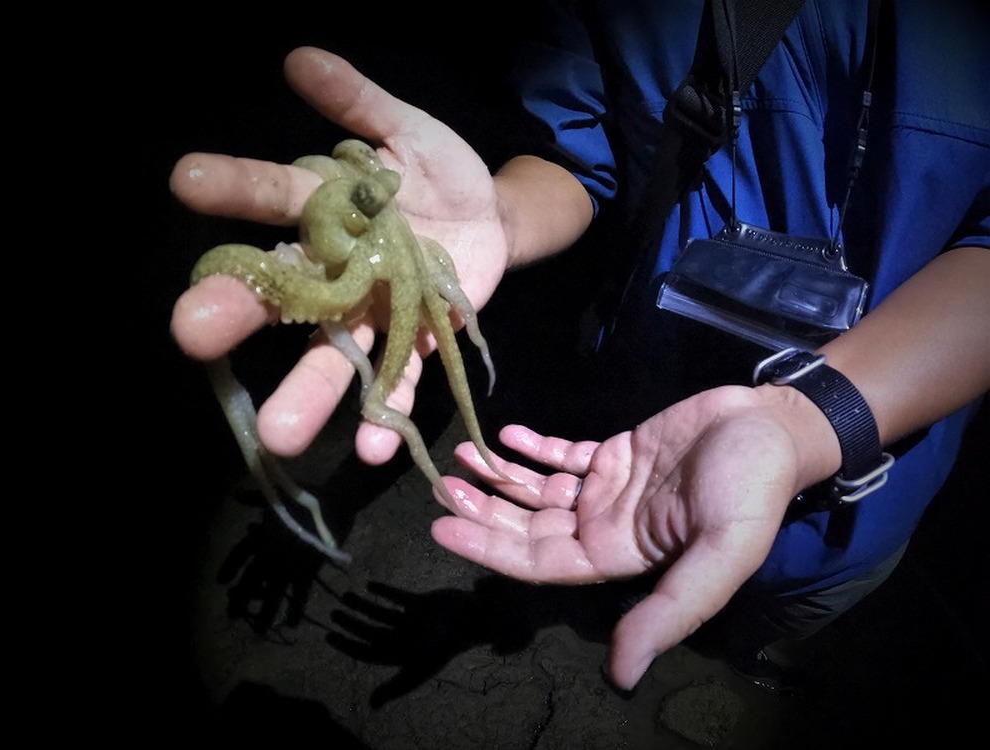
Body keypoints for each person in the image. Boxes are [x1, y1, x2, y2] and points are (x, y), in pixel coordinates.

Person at [170, 0, 990, 694]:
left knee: (754, 618)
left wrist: (813, 421)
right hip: (635, 433)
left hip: (859, 507)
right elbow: (578, 150)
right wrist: (502, 212)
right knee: (616, 572)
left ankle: (739, 651)